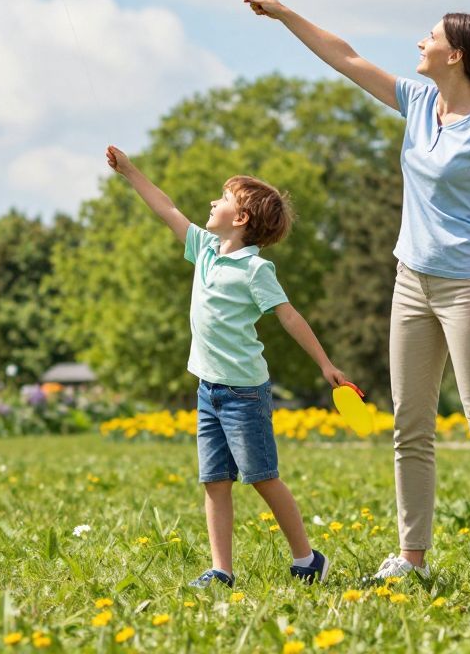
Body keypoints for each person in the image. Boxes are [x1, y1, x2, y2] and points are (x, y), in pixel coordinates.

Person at [244, 0, 470, 586]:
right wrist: (285, 14)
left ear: (455, 56)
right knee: (410, 425)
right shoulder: (418, 101)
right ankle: (412, 557)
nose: (420, 42)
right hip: (411, 284)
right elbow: (346, 58)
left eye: (431, 36)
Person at [106, 145, 346, 587]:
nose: (213, 202)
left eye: (223, 198)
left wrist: (325, 364)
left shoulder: (255, 269)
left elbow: (289, 316)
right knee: (214, 481)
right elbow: (166, 208)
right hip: (208, 390)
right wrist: (130, 171)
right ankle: (222, 570)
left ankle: (308, 558)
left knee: (263, 478)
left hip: (244, 393)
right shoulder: (204, 248)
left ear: (241, 219)